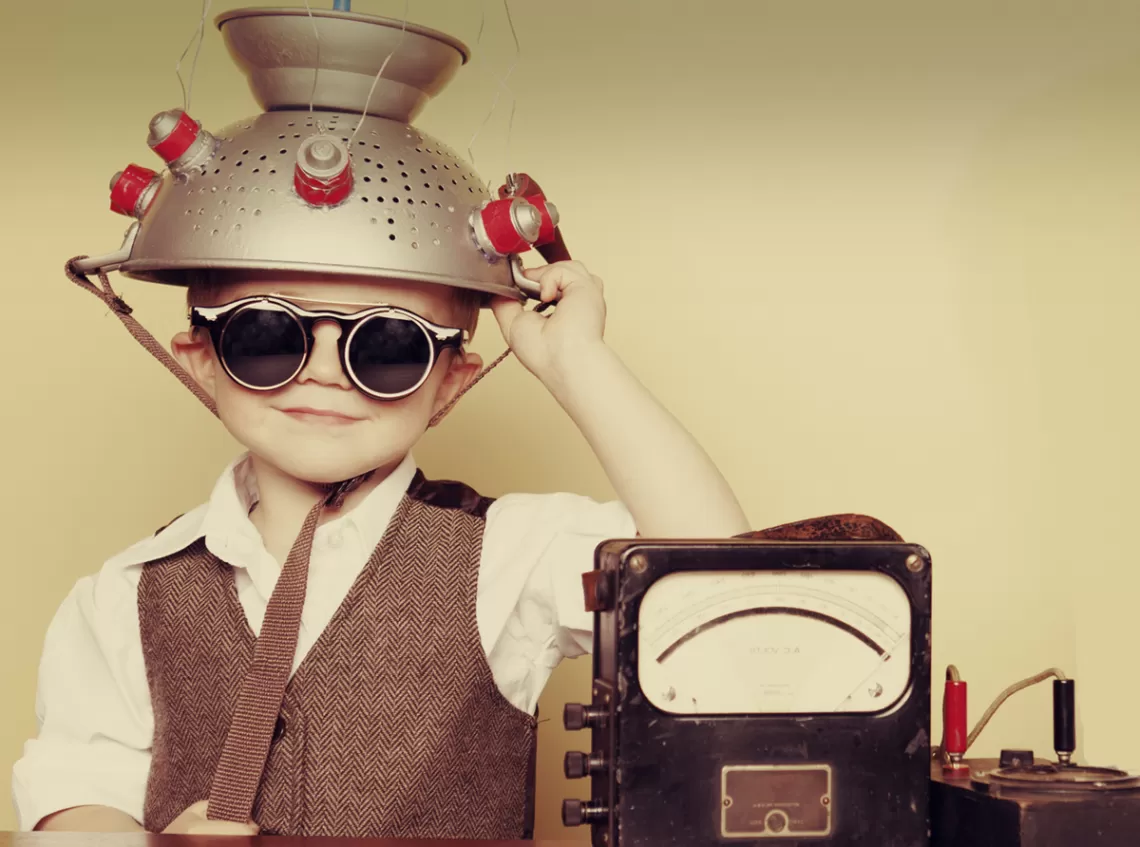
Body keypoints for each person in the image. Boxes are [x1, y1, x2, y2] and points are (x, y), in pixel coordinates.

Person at [11, 259, 749, 838]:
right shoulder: (126, 590)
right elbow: (76, 796)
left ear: (452, 382)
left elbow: (728, 591)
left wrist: (575, 362)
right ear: (202, 356)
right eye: (268, 335)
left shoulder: (508, 553)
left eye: (387, 346)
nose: (325, 370)